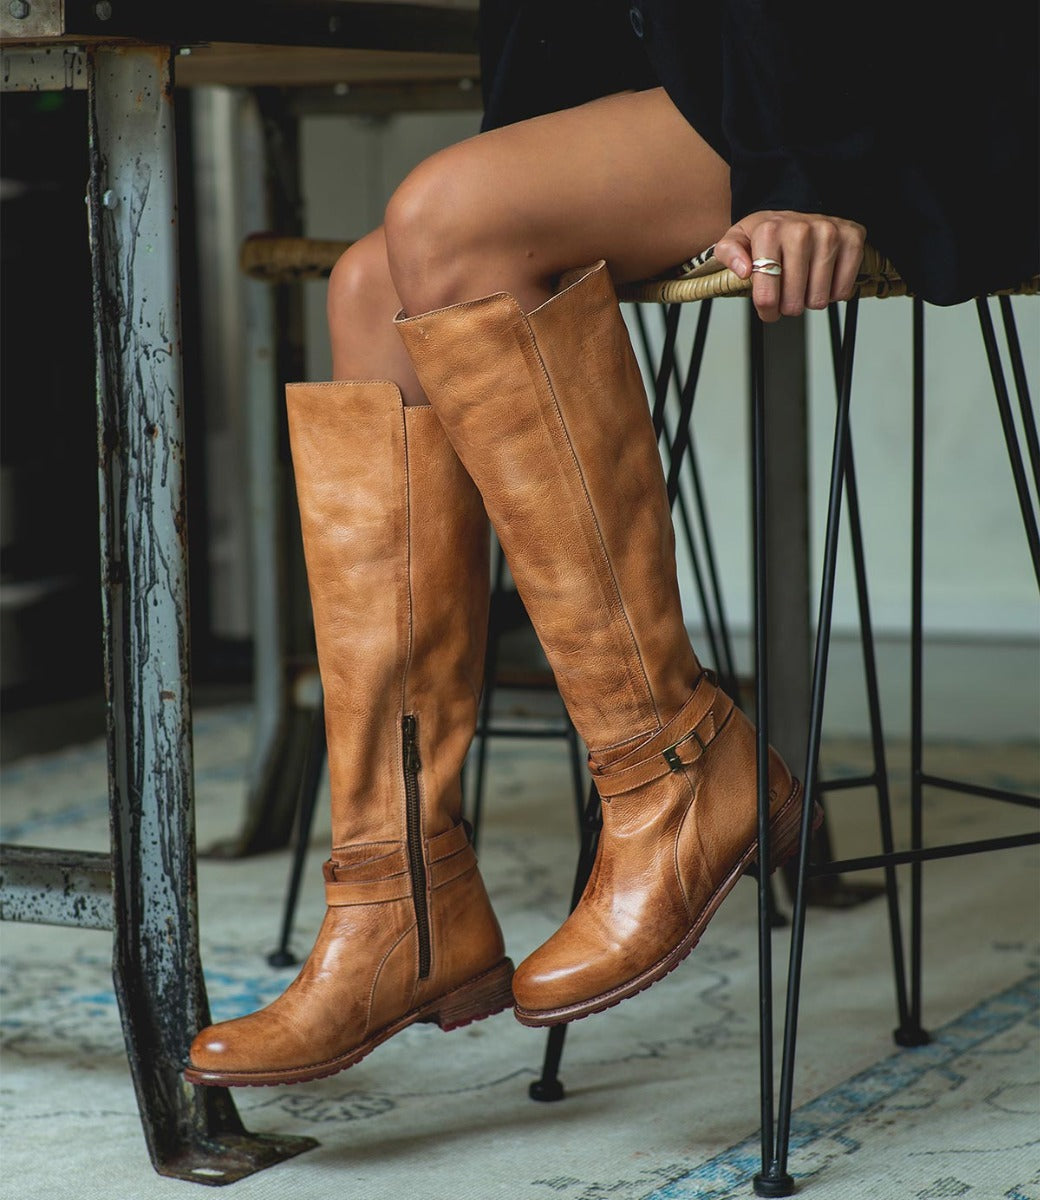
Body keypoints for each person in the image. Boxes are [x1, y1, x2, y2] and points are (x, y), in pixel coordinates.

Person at [184, 1, 1039, 1087]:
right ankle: (398, 893)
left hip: (886, 72)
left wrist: (795, 170)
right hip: (714, 77)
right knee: (375, 283)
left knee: (445, 221)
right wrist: (527, 162)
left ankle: (670, 762)